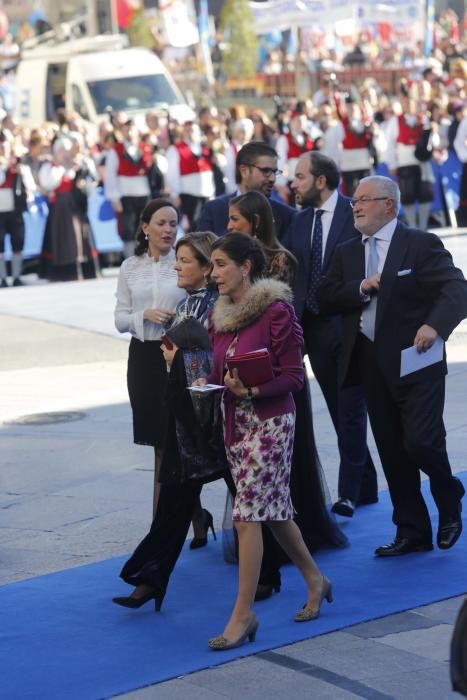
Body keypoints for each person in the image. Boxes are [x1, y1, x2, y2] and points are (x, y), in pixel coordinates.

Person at [318, 175, 467, 556]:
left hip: (417, 360)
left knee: (420, 443)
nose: (357, 206)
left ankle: (448, 497)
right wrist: (361, 288)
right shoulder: (347, 251)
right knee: (391, 451)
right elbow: (325, 295)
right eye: (355, 201)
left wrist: (435, 325)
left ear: (390, 205)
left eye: (365, 200)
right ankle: (412, 530)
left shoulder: (420, 243)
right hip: (369, 361)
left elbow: (455, 288)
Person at [202, 233, 332, 651]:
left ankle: (243, 614)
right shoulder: (218, 316)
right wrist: (203, 382)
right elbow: (219, 371)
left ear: (246, 267)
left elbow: (295, 378)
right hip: (233, 425)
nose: (214, 273)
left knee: (246, 516)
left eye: (221, 264)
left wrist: (253, 393)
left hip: (271, 424)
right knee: (272, 511)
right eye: (212, 265)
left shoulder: (276, 312)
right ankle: (315, 579)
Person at [226, 190, 347, 556]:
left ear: (255, 221)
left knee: (286, 459)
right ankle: (261, 543)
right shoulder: (233, 260)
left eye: (235, 219)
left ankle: (295, 537)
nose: (229, 225)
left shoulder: (280, 260)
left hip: (278, 370)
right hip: (244, 372)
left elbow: (275, 314)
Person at [283, 152, 378, 517]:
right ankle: (365, 484)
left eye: (301, 177)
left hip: (352, 325)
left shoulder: (353, 211)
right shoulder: (299, 221)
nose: (294, 183)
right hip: (315, 329)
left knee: (352, 408)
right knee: (340, 411)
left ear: (321, 181)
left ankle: (347, 493)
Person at [114, 198, 186, 517]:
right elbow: (119, 319)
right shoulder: (130, 267)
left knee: (173, 441)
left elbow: (199, 311)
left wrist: (177, 322)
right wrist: (144, 314)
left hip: (178, 356)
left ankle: (162, 526)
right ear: (145, 228)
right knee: (159, 440)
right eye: (161, 223)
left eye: (173, 223)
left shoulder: (185, 262)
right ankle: (192, 515)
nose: (168, 229)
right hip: (143, 359)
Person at [196, 141, 295, 241]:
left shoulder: (287, 215)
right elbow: (200, 252)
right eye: (266, 171)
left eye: (274, 172)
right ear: (244, 171)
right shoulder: (214, 209)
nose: (272, 178)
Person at [39, 137, 100, 282]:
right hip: (59, 210)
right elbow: (48, 185)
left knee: (80, 238)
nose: (65, 154)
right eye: (61, 151)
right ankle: (64, 272)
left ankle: (83, 269)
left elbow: (88, 186)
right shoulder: (50, 167)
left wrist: (81, 174)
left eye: (67, 151)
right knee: (64, 240)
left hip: (76, 208)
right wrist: (61, 169)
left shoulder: (77, 167)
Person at [104, 118, 152, 259]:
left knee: (145, 227)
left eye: (132, 130)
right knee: (128, 229)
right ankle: (131, 258)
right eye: (126, 130)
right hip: (126, 195)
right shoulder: (116, 150)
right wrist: (114, 197)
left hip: (143, 193)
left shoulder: (145, 147)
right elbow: (110, 174)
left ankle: (145, 257)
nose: (130, 133)